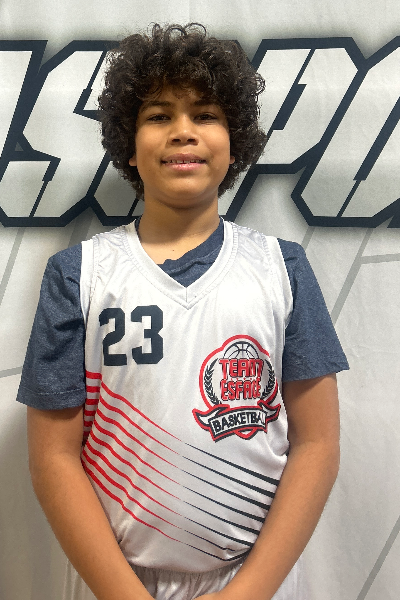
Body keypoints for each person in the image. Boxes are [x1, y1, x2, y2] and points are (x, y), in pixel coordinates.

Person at [17, 23, 349, 600]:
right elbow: (53, 458)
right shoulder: (78, 274)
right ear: (128, 143)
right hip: (116, 580)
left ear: (235, 142)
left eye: (206, 114)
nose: (183, 131)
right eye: (158, 115)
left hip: (254, 581)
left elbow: (317, 443)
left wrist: (248, 592)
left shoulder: (282, 267)